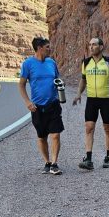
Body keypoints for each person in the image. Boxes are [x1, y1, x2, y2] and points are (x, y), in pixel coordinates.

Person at [73, 37, 109, 170]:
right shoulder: (86, 62)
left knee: (107, 129)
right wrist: (78, 94)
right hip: (91, 100)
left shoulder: (108, 61)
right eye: (90, 45)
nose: (91, 47)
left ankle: (108, 157)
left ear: (101, 47)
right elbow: (83, 80)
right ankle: (88, 159)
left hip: (106, 100)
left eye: (94, 44)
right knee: (89, 128)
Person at [18, 36, 64, 175]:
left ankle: (55, 163)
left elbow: (57, 78)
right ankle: (47, 162)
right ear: (39, 48)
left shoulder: (52, 62)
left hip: (53, 104)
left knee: (55, 135)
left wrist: (60, 85)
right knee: (42, 137)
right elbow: (21, 85)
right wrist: (27, 102)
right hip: (37, 107)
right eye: (48, 47)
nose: (50, 49)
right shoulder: (28, 64)